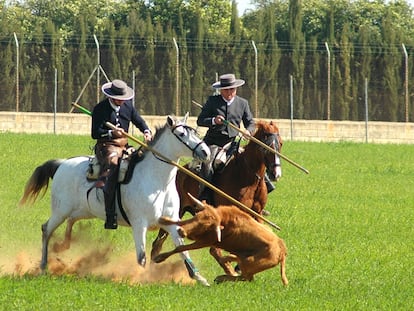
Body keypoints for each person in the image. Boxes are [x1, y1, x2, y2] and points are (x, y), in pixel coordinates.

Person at [91, 79, 152, 229]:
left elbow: (139, 121)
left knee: (141, 160)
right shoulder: (100, 109)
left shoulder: (128, 106)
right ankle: (110, 213)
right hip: (106, 146)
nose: (122, 101)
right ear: (111, 97)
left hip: (124, 145)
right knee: (113, 164)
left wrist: (146, 131)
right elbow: (95, 133)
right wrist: (112, 132)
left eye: (124, 99)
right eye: (119, 99)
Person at [196, 73, 256, 204]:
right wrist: (213, 120)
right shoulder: (212, 101)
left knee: (253, 161)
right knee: (207, 163)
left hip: (232, 143)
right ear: (221, 90)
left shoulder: (243, 103)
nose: (230, 92)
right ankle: (205, 194)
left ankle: (259, 196)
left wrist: (248, 131)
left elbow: (251, 123)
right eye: (226, 89)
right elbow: (200, 120)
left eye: (232, 89)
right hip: (213, 142)